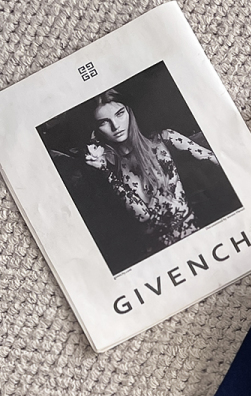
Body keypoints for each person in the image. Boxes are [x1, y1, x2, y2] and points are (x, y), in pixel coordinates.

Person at [74, 90, 239, 273]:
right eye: (104, 122)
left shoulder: (164, 140)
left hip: (197, 236)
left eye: (120, 114)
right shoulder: (107, 167)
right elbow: (143, 215)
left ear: (129, 111)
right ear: (96, 130)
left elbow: (215, 158)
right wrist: (106, 171)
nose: (115, 126)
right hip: (159, 258)